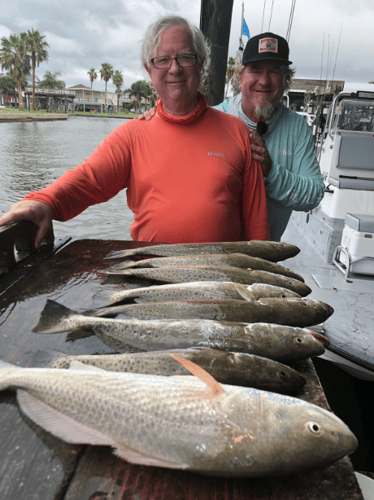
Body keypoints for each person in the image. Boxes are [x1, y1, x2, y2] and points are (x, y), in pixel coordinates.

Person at [0, 16, 269, 248]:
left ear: (201, 64)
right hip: (149, 283)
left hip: (220, 288)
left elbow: (257, 226)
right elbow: (87, 180)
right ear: (149, 70)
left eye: (185, 57)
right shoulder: (131, 135)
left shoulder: (238, 133)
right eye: (162, 59)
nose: (174, 68)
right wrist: (43, 201)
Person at [214, 33, 325, 241]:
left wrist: (270, 171)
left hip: (263, 259)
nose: (264, 81)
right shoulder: (212, 119)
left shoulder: (297, 127)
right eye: (255, 70)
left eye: (274, 71)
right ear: (240, 76)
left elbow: (314, 194)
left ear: (286, 80)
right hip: (212, 258)